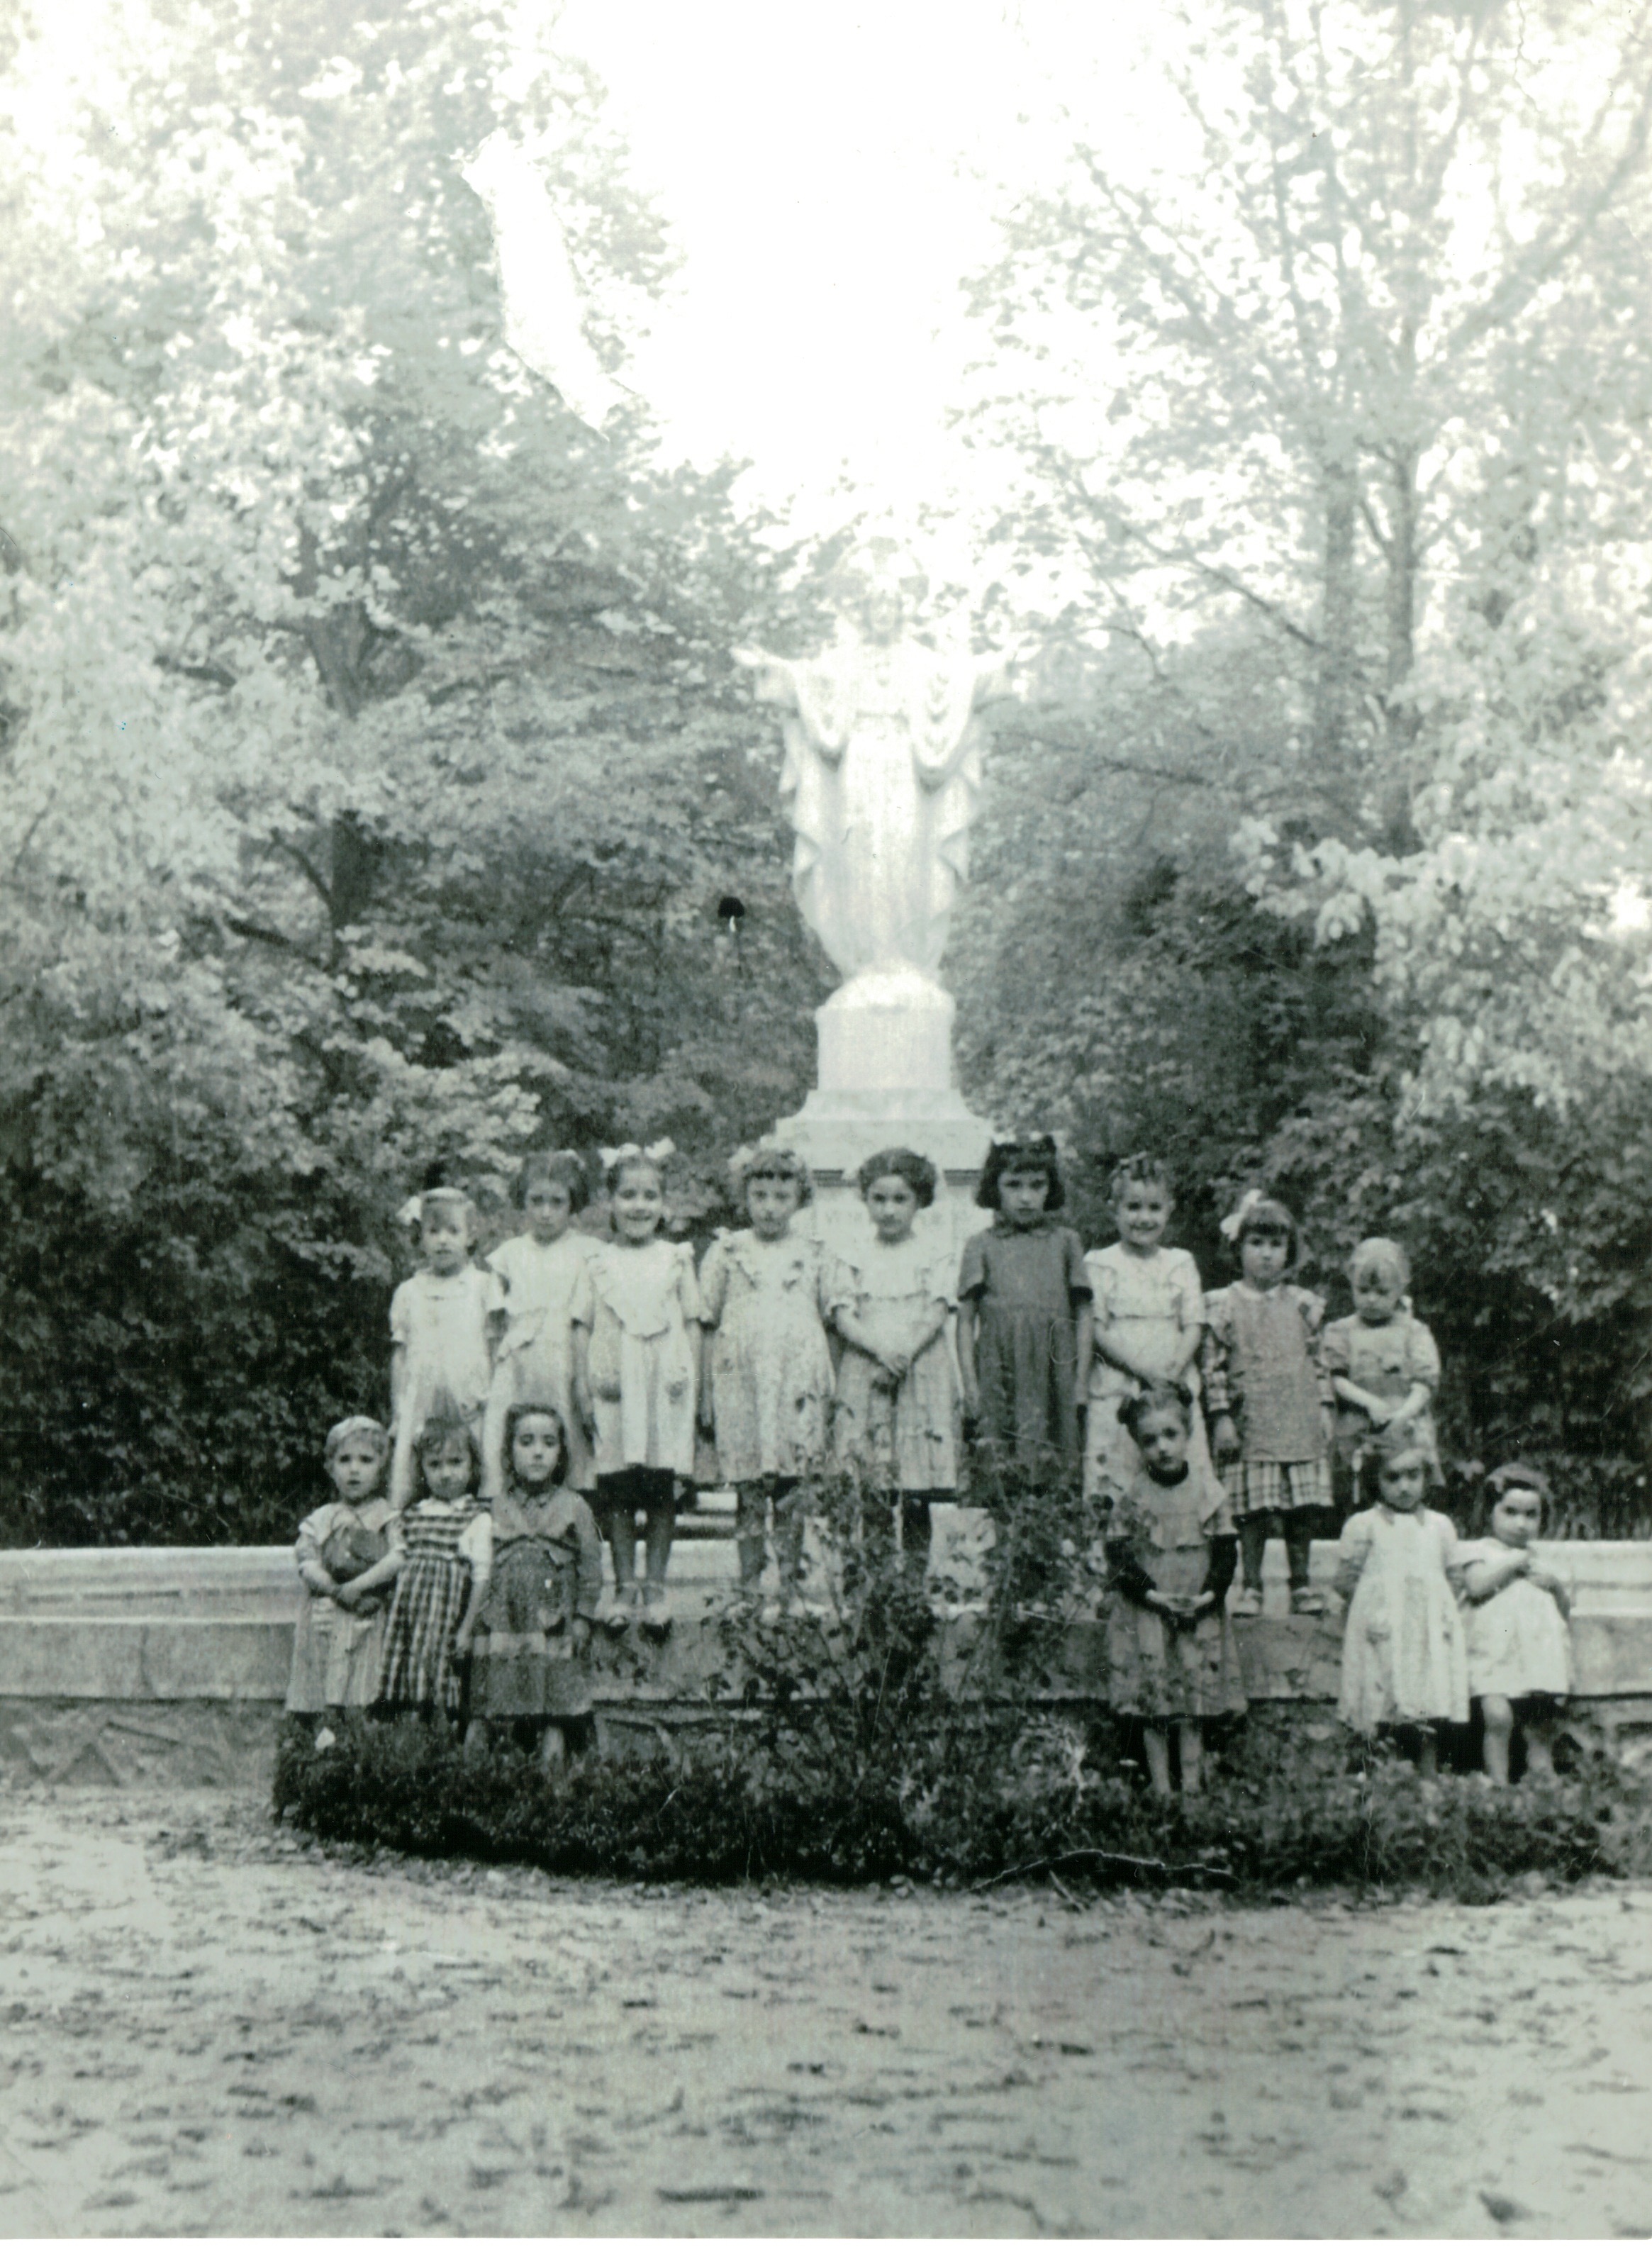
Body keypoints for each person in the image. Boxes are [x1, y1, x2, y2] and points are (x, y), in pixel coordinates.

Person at [571, 1140, 702, 1634]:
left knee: (661, 1487)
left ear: (665, 1204)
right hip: (616, 1387)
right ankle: (624, 1585)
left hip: (664, 1384)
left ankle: (656, 1585)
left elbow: (692, 1322)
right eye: (628, 1194)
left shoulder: (676, 1258)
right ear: (610, 1203)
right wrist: (584, 1389)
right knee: (620, 1486)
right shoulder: (598, 1261)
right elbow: (581, 1326)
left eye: (650, 1195)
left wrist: (695, 1388)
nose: (639, 1205)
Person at [698, 1144, 835, 1599]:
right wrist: (704, 1396)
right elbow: (707, 1323)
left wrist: (827, 1389)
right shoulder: (728, 1251)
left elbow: (829, 1324)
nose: (770, 1207)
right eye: (760, 1196)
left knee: (792, 1485)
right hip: (743, 1383)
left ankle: (791, 1587)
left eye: (782, 1196)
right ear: (745, 1198)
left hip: (796, 1383)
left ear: (799, 1198)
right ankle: (750, 1583)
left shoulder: (814, 1253)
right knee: (750, 1486)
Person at [1102, 1384, 1244, 1799]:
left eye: (1171, 1436)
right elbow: (1120, 1557)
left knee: (1193, 1701)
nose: (1162, 1448)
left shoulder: (1207, 1490)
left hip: (1195, 1609)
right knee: (1154, 1700)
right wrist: (1151, 1596)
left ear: (1188, 1435)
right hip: (1149, 1613)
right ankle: (1162, 1788)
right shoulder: (1133, 1497)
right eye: (1150, 1440)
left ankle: (1193, 1785)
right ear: (1138, 1445)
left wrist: (1209, 1596)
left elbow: (1225, 1552)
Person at [830, 1147, 961, 1582]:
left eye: (900, 1199)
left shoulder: (936, 1252)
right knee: (875, 1483)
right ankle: (879, 1581)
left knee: (916, 1483)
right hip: (867, 1369)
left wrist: (904, 1352)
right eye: (879, 1199)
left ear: (919, 1201)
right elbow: (843, 1313)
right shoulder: (849, 1253)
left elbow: (938, 1310)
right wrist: (880, 1351)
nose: (888, 1210)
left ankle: (913, 1586)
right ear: (866, 1200)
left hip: (920, 1370)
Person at [1202, 1191, 1334, 1615]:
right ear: (1238, 1249)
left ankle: (1301, 1584)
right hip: (1251, 1421)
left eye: (1276, 1245)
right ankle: (1253, 1585)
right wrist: (1221, 1417)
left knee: (1302, 1508)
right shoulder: (1223, 1304)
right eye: (1256, 1244)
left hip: (1298, 1418)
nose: (1266, 1255)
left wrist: (1326, 1408)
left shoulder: (1303, 1305)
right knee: (1253, 1510)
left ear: (1289, 1252)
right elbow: (1212, 1367)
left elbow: (1321, 1362)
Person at [466, 1401, 604, 1771]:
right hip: (505, 1619)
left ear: (561, 1452)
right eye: (526, 1442)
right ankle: (490, 1769)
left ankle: (552, 1769)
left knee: (556, 1689)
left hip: (555, 1618)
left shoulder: (575, 1507)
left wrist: (584, 1618)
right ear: (509, 1452)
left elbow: (591, 1566)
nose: (538, 1451)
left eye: (549, 1442)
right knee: (498, 1688)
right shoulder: (494, 1507)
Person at [956, 1133, 1090, 1494]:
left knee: (1056, 1474)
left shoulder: (1066, 1242)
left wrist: (1079, 1382)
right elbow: (966, 1320)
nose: (1026, 1196)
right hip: (998, 1368)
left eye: (1037, 1185)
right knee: (1001, 1473)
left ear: (1050, 1189)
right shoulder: (980, 1245)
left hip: (1054, 1369)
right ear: (995, 1188)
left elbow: (1083, 1313)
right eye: (1014, 1185)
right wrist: (970, 1384)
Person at [1333, 1435, 1468, 1775]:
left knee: (1427, 1694)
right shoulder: (1364, 1525)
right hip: (1381, 1627)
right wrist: (1371, 1613)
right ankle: (1370, 1772)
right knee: (1376, 1690)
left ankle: (1427, 1775)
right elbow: (1345, 1580)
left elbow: (1454, 1577)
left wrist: (1437, 1615)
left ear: (1426, 1477)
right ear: (1375, 1481)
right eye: (1392, 1478)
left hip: (1426, 1629)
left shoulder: (1440, 1526)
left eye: (1413, 1476)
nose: (1404, 1487)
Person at [1079, 1154, 1210, 1505]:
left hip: (1172, 1380)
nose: (1144, 1218)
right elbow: (1097, 1329)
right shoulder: (1100, 1263)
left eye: (1154, 1208)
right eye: (1133, 1207)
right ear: (1115, 1209)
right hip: (1120, 1382)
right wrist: (1142, 1371)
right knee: (1114, 1477)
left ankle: (1181, 1553)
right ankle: (1106, 1556)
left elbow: (1194, 1323)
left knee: (1178, 1472)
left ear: (1169, 1209)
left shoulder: (1180, 1262)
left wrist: (1172, 1371)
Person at [481, 1152, 596, 1501]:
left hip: (566, 1364)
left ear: (572, 1204)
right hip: (517, 1366)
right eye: (537, 1201)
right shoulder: (510, 1254)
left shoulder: (588, 1252)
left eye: (557, 1202)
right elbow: (493, 1325)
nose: (546, 1212)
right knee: (512, 1441)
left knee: (567, 1444)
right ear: (523, 1202)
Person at [388, 1186, 501, 1510]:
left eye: (453, 1231)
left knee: (479, 1469)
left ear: (470, 1236)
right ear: (420, 1238)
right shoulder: (409, 1292)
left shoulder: (482, 1285)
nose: (443, 1240)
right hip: (421, 1400)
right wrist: (398, 1409)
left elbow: (495, 1346)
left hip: (472, 1400)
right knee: (416, 1469)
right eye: (433, 1231)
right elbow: (400, 1354)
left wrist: (492, 1396)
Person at [374, 1411, 491, 1722]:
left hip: (446, 1618)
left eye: (456, 1463)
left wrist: (466, 1629)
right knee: (405, 1676)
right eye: (435, 1464)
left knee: (441, 1681)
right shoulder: (412, 1514)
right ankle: (408, 1742)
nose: (446, 1474)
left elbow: (482, 1578)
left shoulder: (476, 1517)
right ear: (422, 1469)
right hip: (408, 1618)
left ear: (472, 1466)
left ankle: (440, 1744)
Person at [1459, 1461, 1573, 1785]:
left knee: (1540, 1723)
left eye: (1531, 1515)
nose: (1521, 1524)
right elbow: (1476, 1586)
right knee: (1498, 1716)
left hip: (1535, 1657)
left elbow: (1564, 1611)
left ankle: (1540, 1774)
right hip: (1493, 1654)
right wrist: (1513, 1562)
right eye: (1510, 1512)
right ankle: (1499, 1783)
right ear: (1489, 1512)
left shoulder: (1542, 1559)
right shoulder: (1479, 1551)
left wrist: (1556, 1586)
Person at [285, 1417, 402, 1721]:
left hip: (365, 1612)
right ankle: (320, 1739)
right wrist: (334, 1589)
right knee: (321, 1686)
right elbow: (306, 1561)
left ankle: (357, 1744)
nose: (354, 1469)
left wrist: (358, 1587)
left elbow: (398, 1557)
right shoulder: (323, 1517)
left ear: (381, 1468)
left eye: (366, 1460)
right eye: (344, 1460)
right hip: (326, 1609)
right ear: (330, 1467)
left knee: (361, 1686)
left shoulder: (386, 1515)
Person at [1322, 1237, 1441, 1510]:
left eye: (1382, 1292)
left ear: (1400, 1289)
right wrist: (1371, 1403)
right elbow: (1336, 1378)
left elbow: (1425, 1383)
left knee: (1407, 1497)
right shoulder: (1341, 1331)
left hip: (1406, 1431)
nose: (1371, 1299)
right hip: (1357, 1432)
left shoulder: (1414, 1331)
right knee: (1358, 1503)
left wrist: (1402, 1415)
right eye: (1363, 1290)